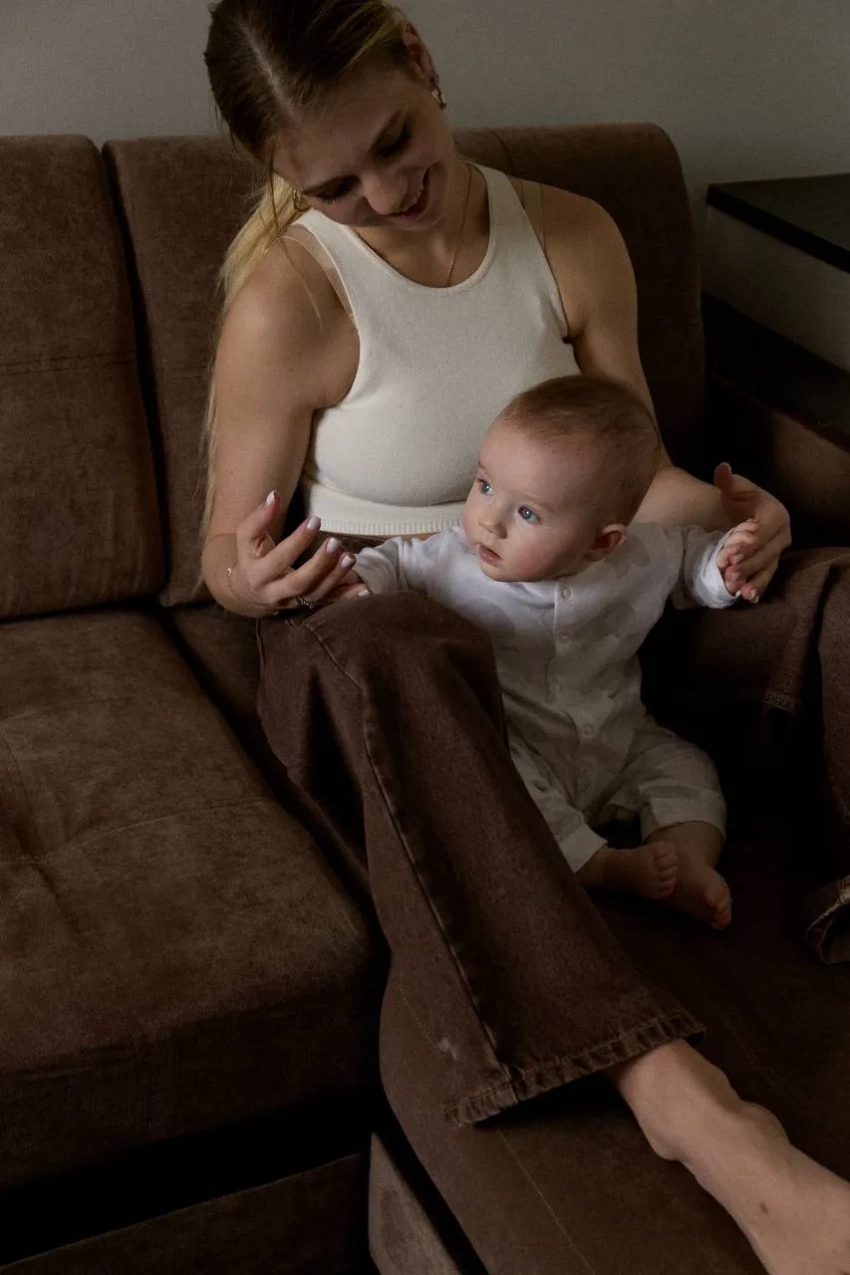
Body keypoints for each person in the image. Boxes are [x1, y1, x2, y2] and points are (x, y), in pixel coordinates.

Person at [201, 2, 850, 1270]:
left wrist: (739, 521)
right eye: (332, 187)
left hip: (575, 599)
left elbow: (638, 478)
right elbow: (222, 554)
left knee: (830, 598)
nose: (384, 196)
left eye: (395, 144)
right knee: (396, 648)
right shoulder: (291, 296)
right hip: (371, 631)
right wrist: (253, 574)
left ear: (421, 59)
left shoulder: (569, 235)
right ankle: (698, 1119)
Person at [346, 374, 757, 928]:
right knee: (500, 795)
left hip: (619, 736)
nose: (488, 520)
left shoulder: (645, 555)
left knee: (687, 768)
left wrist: (725, 566)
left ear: (602, 542)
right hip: (517, 744)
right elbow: (393, 562)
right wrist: (357, 581)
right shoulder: (452, 562)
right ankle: (604, 867)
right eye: (485, 485)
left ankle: (686, 859)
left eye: (528, 513)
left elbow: (693, 565)